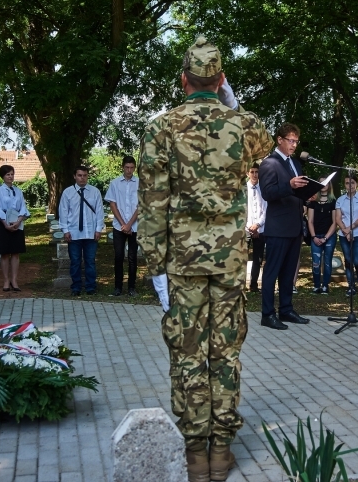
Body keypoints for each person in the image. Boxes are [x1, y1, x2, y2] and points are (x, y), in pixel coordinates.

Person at [137, 35, 271, 482]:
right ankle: (221, 451)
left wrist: (155, 266)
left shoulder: (161, 127)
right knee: (225, 351)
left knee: (188, 350)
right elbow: (266, 147)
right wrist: (230, 102)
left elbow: (153, 202)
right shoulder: (244, 124)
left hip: (183, 260)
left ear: (183, 80)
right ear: (221, 79)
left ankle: (197, 454)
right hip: (230, 260)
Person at [259, 122, 312, 330]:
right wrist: (289, 185)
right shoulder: (269, 163)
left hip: (294, 226)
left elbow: (297, 193)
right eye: (290, 140)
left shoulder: (295, 164)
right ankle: (267, 314)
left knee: (289, 272)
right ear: (279, 140)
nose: (294, 145)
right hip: (278, 227)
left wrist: (308, 195)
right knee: (272, 271)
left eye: (296, 141)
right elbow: (268, 193)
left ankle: (286, 309)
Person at [59, 165, 104, 296]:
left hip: (90, 232)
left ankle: (90, 287)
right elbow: (63, 212)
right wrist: (65, 230)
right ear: (74, 176)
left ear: (87, 176)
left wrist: (98, 229)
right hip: (74, 233)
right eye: (79, 175)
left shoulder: (95, 192)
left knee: (90, 261)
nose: (82, 178)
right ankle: (76, 287)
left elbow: (99, 211)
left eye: (84, 175)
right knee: (75, 261)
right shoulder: (68, 192)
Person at [105, 155, 139, 297]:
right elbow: (113, 204)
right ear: (123, 167)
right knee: (118, 256)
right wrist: (123, 224)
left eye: (131, 168)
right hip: (119, 227)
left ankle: (131, 287)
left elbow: (141, 205)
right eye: (127, 167)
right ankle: (117, 287)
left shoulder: (140, 183)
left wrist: (130, 224)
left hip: (134, 226)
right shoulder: (115, 183)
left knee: (132, 257)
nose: (129, 170)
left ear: (134, 168)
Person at [0, 165, 30, 292]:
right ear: (3, 176)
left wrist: (19, 221)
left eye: (12, 174)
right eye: (8, 174)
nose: (10, 176)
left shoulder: (18, 190)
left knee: (15, 252)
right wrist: (6, 225)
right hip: (4, 224)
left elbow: (23, 207)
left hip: (17, 223)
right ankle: (5, 280)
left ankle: (14, 279)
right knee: (4, 253)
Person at [335, 175, 358, 297]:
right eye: (347, 183)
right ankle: (351, 286)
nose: (350, 185)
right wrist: (345, 230)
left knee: (357, 261)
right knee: (348, 261)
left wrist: (350, 228)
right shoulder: (340, 199)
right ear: (344, 185)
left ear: (357, 184)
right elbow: (338, 218)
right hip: (344, 234)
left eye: (352, 183)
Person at [307, 176, 336, 293]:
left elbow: (335, 222)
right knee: (316, 262)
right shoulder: (313, 201)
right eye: (321, 183)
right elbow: (310, 221)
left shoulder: (333, 201)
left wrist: (325, 238)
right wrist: (314, 237)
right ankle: (316, 285)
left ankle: (325, 286)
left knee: (327, 262)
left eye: (326, 183)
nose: (324, 185)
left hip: (329, 236)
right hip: (315, 236)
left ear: (329, 186)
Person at [246, 163, 267, 293]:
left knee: (257, 258)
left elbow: (266, 210)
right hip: (246, 228)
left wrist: (258, 225)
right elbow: (241, 210)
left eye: (256, 172)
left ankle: (254, 285)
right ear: (248, 173)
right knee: (241, 258)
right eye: (252, 172)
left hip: (261, 227)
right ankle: (239, 285)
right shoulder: (243, 189)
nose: (254, 174)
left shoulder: (264, 189)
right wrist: (250, 227)